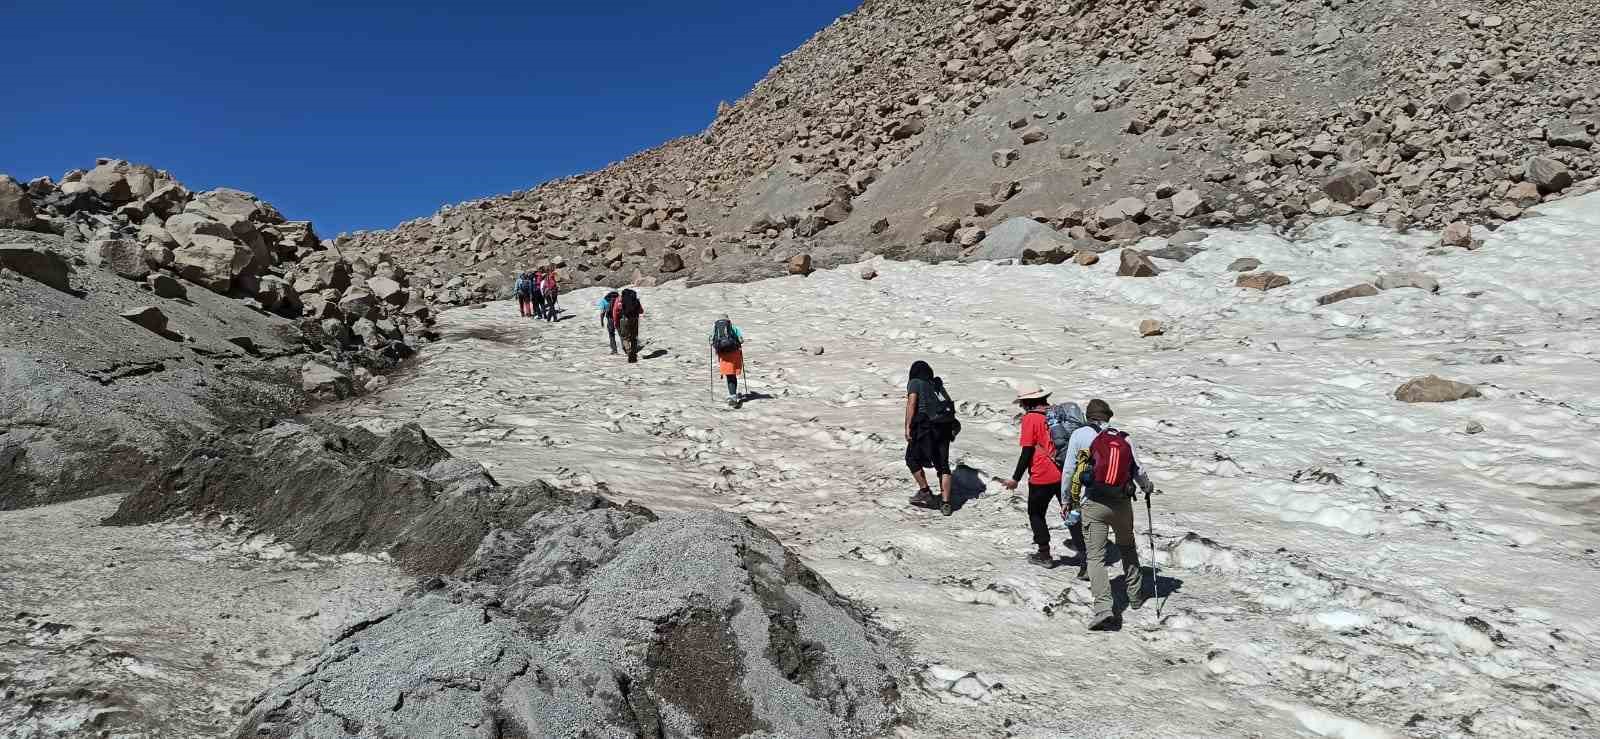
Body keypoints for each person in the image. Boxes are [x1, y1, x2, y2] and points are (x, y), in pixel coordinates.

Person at [1075, 398, 1156, 632]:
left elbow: (1077, 471)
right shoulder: (1124, 438)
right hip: (1121, 504)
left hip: (1095, 503)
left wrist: (1070, 498)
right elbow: (1138, 470)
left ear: (1088, 417)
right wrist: (1147, 486)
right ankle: (1135, 595)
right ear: (1108, 416)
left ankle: (1103, 610)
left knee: (1095, 558)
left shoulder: (1085, 436)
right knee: (1127, 547)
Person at [1001, 384, 1064, 568]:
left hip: (1042, 474)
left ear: (1027, 402)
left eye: (1022, 403)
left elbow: (1027, 451)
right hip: (1063, 471)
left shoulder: (1031, 419)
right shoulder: (1056, 413)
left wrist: (1015, 478)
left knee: (1036, 513)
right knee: (1071, 514)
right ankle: (1087, 557)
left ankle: (1044, 554)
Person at [905, 361, 958, 516]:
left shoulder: (915, 382)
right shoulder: (935, 384)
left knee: (911, 458)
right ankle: (946, 504)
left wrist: (908, 426)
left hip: (925, 428)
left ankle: (925, 492)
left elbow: (912, 403)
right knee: (943, 465)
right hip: (944, 427)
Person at [710, 315, 745, 408]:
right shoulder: (733, 327)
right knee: (732, 374)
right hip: (734, 353)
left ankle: (732, 395)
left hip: (723, 355)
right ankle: (733, 395)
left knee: (729, 374)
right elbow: (741, 340)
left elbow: (711, 340)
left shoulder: (715, 328)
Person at [613, 287, 644, 362]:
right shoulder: (635, 300)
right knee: (634, 337)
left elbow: (616, 311)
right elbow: (641, 311)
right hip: (634, 320)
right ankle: (633, 352)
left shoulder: (620, 300)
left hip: (624, 319)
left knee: (625, 337)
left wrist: (616, 322)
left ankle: (629, 352)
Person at [598, 290, 620, 354]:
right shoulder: (619, 299)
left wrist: (602, 321)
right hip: (619, 318)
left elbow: (602, 312)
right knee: (621, 334)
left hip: (610, 319)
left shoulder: (604, 300)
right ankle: (626, 348)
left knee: (611, 334)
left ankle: (614, 350)